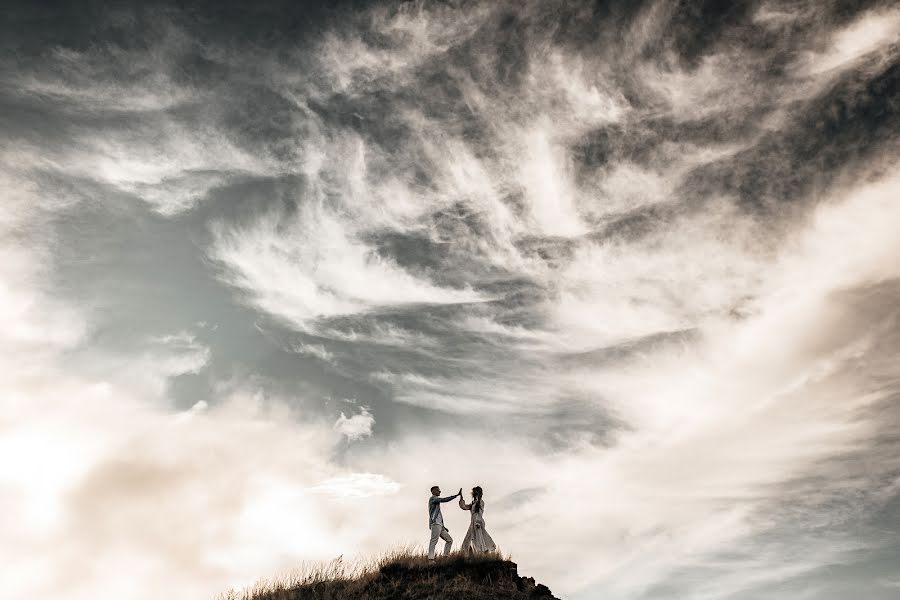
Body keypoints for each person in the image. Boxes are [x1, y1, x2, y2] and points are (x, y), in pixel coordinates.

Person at [459, 485, 496, 553]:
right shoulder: (473, 503)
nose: (473, 494)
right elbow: (464, 507)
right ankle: (465, 553)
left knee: (479, 538)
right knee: (468, 538)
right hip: (473, 522)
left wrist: (477, 522)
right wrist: (461, 497)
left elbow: (479, 513)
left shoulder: (481, 502)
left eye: (474, 493)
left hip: (478, 521)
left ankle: (483, 551)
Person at [427, 485, 461, 560]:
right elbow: (444, 500)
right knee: (433, 541)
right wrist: (455, 496)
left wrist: (443, 526)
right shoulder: (433, 499)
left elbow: (439, 515)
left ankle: (445, 557)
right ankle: (430, 559)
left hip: (440, 526)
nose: (440, 491)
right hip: (435, 524)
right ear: (433, 491)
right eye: (438, 490)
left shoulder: (436, 501)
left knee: (449, 540)